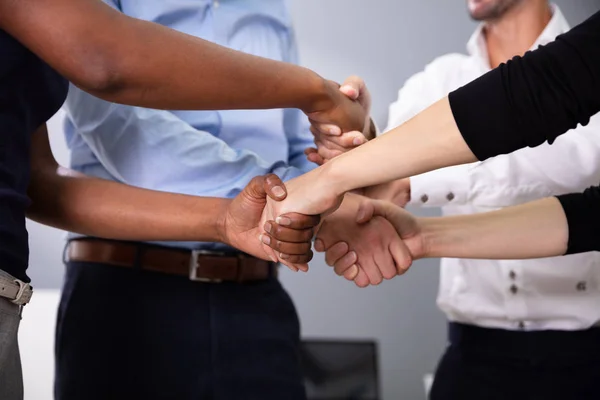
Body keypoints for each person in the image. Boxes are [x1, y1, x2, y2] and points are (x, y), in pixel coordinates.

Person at [0, 0, 365, 398]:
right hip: (128, 293)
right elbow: (115, 106)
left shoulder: (272, 8)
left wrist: (348, 156)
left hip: (256, 287)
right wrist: (302, 173)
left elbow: (36, 181)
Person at [312, 2, 600, 399]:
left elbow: (566, 164)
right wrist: (356, 138)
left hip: (584, 358)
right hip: (471, 361)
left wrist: (407, 179)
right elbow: (376, 182)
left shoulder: (585, 68)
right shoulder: (438, 79)